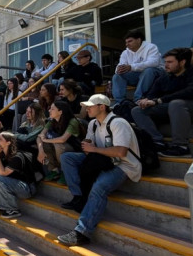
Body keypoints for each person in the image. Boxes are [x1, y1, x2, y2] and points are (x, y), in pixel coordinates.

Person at [57, 94, 141, 246]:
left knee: (99, 187)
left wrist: (93, 148)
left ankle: (82, 232)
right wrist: (87, 145)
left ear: (102, 107)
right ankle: (79, 197)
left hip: (123, 165)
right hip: (103, 160)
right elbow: (90, 148)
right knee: (67, 158)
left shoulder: (118, 123)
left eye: (91, 106)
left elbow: (121, 152)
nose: (87, 108)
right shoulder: (93, 124)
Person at [131, 48, 193, 157]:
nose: (166, 65)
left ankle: (181, 146)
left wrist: (159, 100)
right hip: (171, 108)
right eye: (165, 62)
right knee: (137, 110)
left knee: (176, 103)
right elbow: (153, 93)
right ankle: (157, 141)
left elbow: (189, 93)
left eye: (170, 62)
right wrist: (146, 100)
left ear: (182, 62)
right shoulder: (165, 76)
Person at [0, 132, 36, 218]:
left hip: (27, 188)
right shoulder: (2, 154)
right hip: (13, 184)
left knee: (0, 179)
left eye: (0, 139)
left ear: (8, 143)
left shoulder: (17, 156)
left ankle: (12, 210)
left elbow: (2, 173)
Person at [37, 101, 83, 185]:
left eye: (52, 109)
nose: (49, 110)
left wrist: (46, 140)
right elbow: (40, 136)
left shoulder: (72, 121)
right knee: (44, 145)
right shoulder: (52, 121)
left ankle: (64, 171)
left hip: (74, 150)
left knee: (58, 144)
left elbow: (62, 139)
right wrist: (40, 151)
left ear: (60, 111)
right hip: (59, 148)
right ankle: (54, 170)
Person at [112, 29, 164, 103]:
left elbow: (154, 63)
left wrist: (131, 67)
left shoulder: (151, 47)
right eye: (126, 42)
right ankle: (120, 102)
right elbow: (120, 65)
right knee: (117, 76)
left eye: (130, 41)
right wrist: (119, 69)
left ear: (139, 40)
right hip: (138, 76)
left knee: (148, 70)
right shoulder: (125, 52)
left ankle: (138, 99)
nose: (127, 44)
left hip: (156, 75)